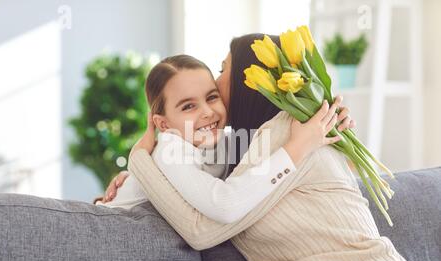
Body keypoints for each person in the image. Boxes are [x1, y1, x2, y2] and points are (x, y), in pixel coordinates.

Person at [108, 34, 441, 261]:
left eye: (223, 72)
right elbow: (209, 186)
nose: (217, 85)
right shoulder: (249, 151)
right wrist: (132, 181)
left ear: (248, 81)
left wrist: (140, 159)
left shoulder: (289, 135)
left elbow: (202, 229)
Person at [97, 54, 341, 224]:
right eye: (189, 106)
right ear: (163, 124)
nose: (207, 112)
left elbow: (270, 143)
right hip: (110, 228)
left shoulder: (224, 143)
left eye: (212, 97)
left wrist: (329, 119)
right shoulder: (170, 148)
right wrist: (296, 148)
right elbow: (225, 205)